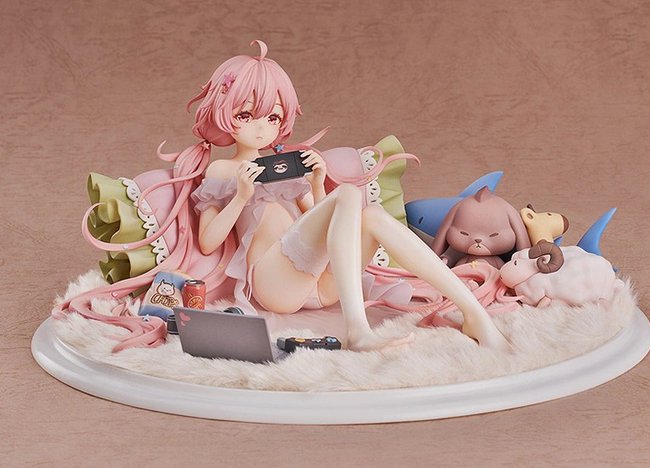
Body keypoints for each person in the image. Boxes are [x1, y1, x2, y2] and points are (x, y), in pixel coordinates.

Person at [55, 40, 511, 352]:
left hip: (322, 281)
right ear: (225, 114)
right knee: (348, 200)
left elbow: (315, 223)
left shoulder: (287, 164)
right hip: (275, 284)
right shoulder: (222, 170)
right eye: (247, 115)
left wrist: (314, 184)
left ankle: (471, 311)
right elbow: (210, 241)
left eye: (272, 118)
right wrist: (241, 195)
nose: (261, 127)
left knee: (366, 213)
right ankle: (357, 329)